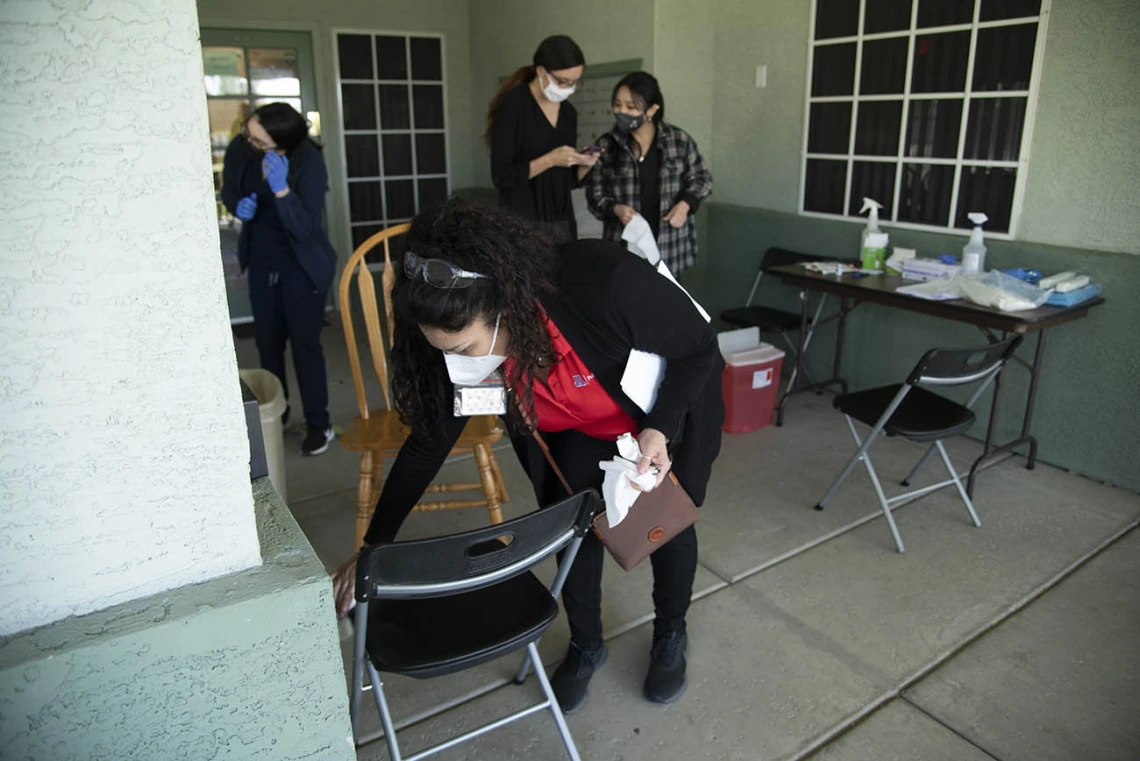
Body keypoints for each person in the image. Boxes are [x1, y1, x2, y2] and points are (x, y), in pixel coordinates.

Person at [331, 199, 724, 712]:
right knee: (574, 529)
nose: (456, 363)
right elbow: (429, 443)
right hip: (574, 431)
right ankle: (586, 642)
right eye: (442, 350)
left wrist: (658, 428)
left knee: (667, 526)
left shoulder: (602, 283)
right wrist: (372, 551)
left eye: (466, 348)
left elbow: (699, 347)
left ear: (505, 305)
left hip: (659, 413)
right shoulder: (453, 335)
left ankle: (671, 631)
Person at [222, 103, 338, 456]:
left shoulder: (308, 162)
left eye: (258, 139)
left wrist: (282, 191)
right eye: (249, 133)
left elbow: (305, 228)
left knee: (305, 345)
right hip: (262, 261)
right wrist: (236, 204)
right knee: (267, 344)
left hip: (301, 266)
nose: (249, 141)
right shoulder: (241, 149)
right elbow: (228, 189)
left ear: (281, 142)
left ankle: (319, 423)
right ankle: (278, 412)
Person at [586, 71, 713, 274]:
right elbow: (594, 196)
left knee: (668, 302)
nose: (621, 112)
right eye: (617, 104)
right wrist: (615, 209)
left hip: (670, 245)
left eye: (631, 107)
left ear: (652, 110)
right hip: (623, 245)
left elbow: (702, 179)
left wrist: (685, 204)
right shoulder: (607, 145)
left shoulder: (678, 141)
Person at [486, 35, 599, 240]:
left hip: (562, 220)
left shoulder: (568, 113)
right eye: (563, 81)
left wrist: (584, 165)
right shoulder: (513, 106)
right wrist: (550, 160)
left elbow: (568, 181)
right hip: (521, 223)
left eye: (574, 83)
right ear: (541, 71)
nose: (568, 89)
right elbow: (501, 176)